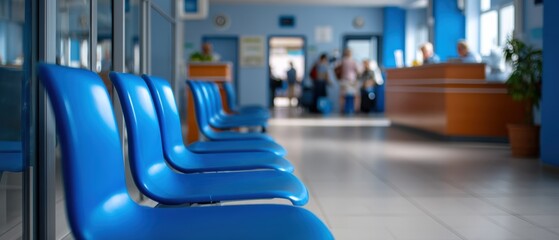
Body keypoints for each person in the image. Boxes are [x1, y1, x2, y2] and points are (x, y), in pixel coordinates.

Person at [338, 49, 359, 114]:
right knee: (355, 96)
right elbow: (358, 71)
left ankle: (342, 109)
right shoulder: (354, 61)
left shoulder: (341, 61)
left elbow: (336, 69)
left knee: (342, 96)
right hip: (351, 81)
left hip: (343, 80)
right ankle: (356, 109)